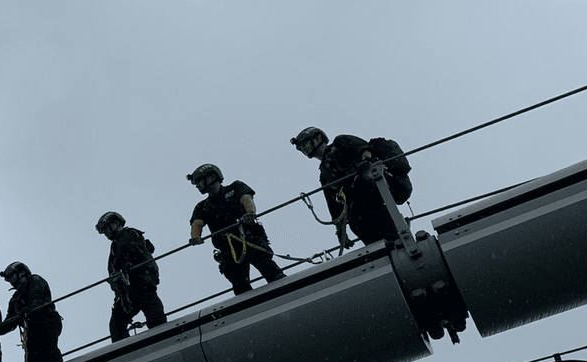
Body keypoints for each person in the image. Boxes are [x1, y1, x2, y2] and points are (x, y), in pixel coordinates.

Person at [290, 126, 408, 247]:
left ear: (318, 138)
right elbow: (333, 206)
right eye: (300, 148)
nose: (303, 148)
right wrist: (340, 231)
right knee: (372, 241)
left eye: (305, 143)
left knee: (389, 235)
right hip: (356, 214)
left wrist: (365, 161)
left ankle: (397, 245)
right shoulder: (324, 174)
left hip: (372, 197)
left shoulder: (341, 142)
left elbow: (364, 148)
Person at [187, 163, 286, 295]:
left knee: (268, 268)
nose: (197, 186)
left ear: (211, 177)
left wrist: (250, 213)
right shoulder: (202, 206)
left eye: (199, 181)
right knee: (239, 285)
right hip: (228, 249)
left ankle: (286, 291)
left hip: (249, 239)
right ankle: (250, 309)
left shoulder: (235, 188)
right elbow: (197, 223)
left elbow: (247, 199)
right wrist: (195, 236)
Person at [95, 211, 167, 342]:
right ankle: (125, 350)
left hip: (142, 285)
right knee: (116, 324)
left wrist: (123, 270)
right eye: (103, 231)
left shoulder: (131, 234)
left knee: (155, 317)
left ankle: (162, 341)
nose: (105, 234)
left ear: (115, 224)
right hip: (127, 293)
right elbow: (115, 266)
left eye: (106, 229)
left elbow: (133, 253)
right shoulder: (115, 245)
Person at [0, 261, 63, 362]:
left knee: (47, 350)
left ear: (22, 272)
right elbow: (9, 322)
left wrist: (27, 310)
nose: (10, 280)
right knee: (32, 360)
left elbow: (36, 302)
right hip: (31, 329)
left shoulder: (34, 280)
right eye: (8, 278)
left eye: (11, 276)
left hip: (46, 321)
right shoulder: (15, 299)